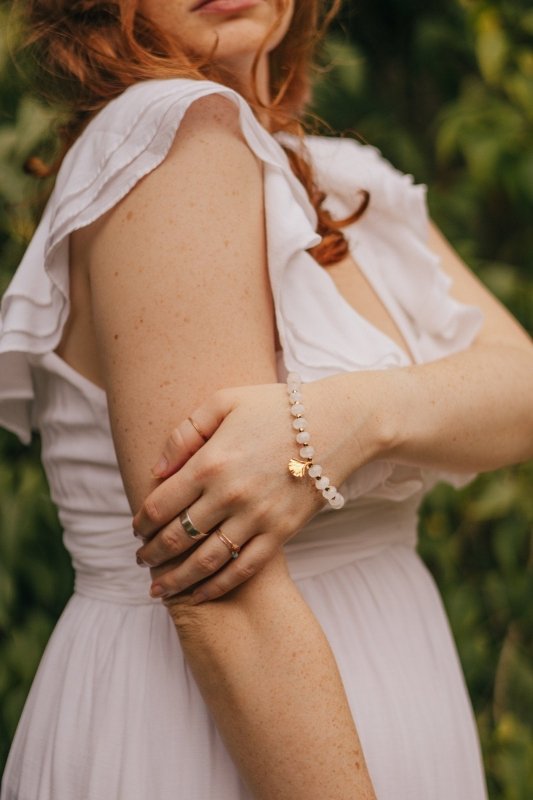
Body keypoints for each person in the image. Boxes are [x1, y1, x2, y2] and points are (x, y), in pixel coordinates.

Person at [1, 0, 532, 798]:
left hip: (377, 684)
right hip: (224, 731)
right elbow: (220, 597)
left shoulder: (339, 174)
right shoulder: (175, 131)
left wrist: (351, 418)